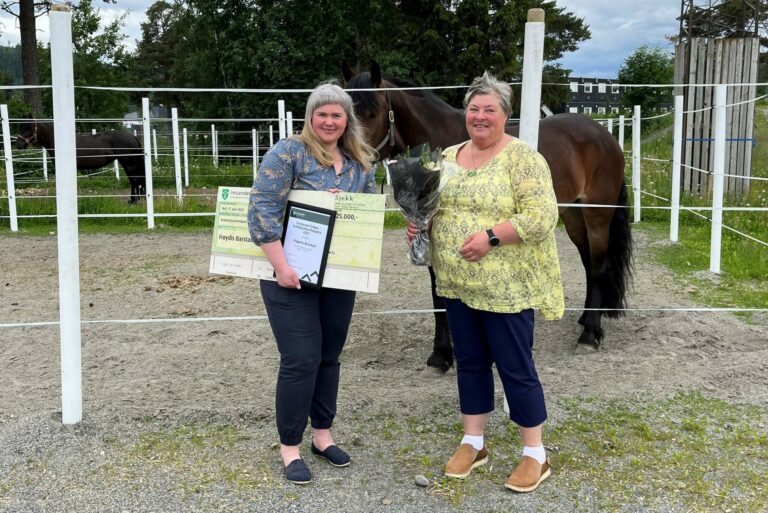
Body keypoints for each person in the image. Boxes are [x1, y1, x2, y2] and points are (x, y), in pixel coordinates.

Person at [407, 72, 564, 493]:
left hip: (506, 288)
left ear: (504, 115)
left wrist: (492, 237)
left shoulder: (523, 158)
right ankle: (473, 442)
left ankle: (535, 453)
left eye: (488, 109)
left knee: (515, 365)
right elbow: (433, 205)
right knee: (470, 361)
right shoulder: (448, 156)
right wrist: (421, 224)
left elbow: (542, 217)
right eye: (473, 109)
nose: (479, 116)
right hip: (457, 283)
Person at [248, 82, 377, 485]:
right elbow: (262, 207)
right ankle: (290, 446)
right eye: (321, 113)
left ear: (347, 119)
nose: (329, 121)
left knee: (329, 356)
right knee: (301, 358)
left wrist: (346, 205)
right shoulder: (288, 153)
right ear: (310, 117)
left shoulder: (359, 162)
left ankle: (323, 435)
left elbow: (368, 212)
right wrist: (280, 265)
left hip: (337, 276)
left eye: (336, 114)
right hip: (290, 275)